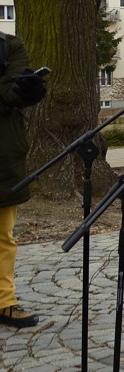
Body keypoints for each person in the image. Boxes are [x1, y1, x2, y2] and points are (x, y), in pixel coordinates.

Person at [0, 32, 48, 329]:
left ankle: (4, 302)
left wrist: (30, 91)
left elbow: (10, 91)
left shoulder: (9, 45)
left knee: (3, 236)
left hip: (3, 156)